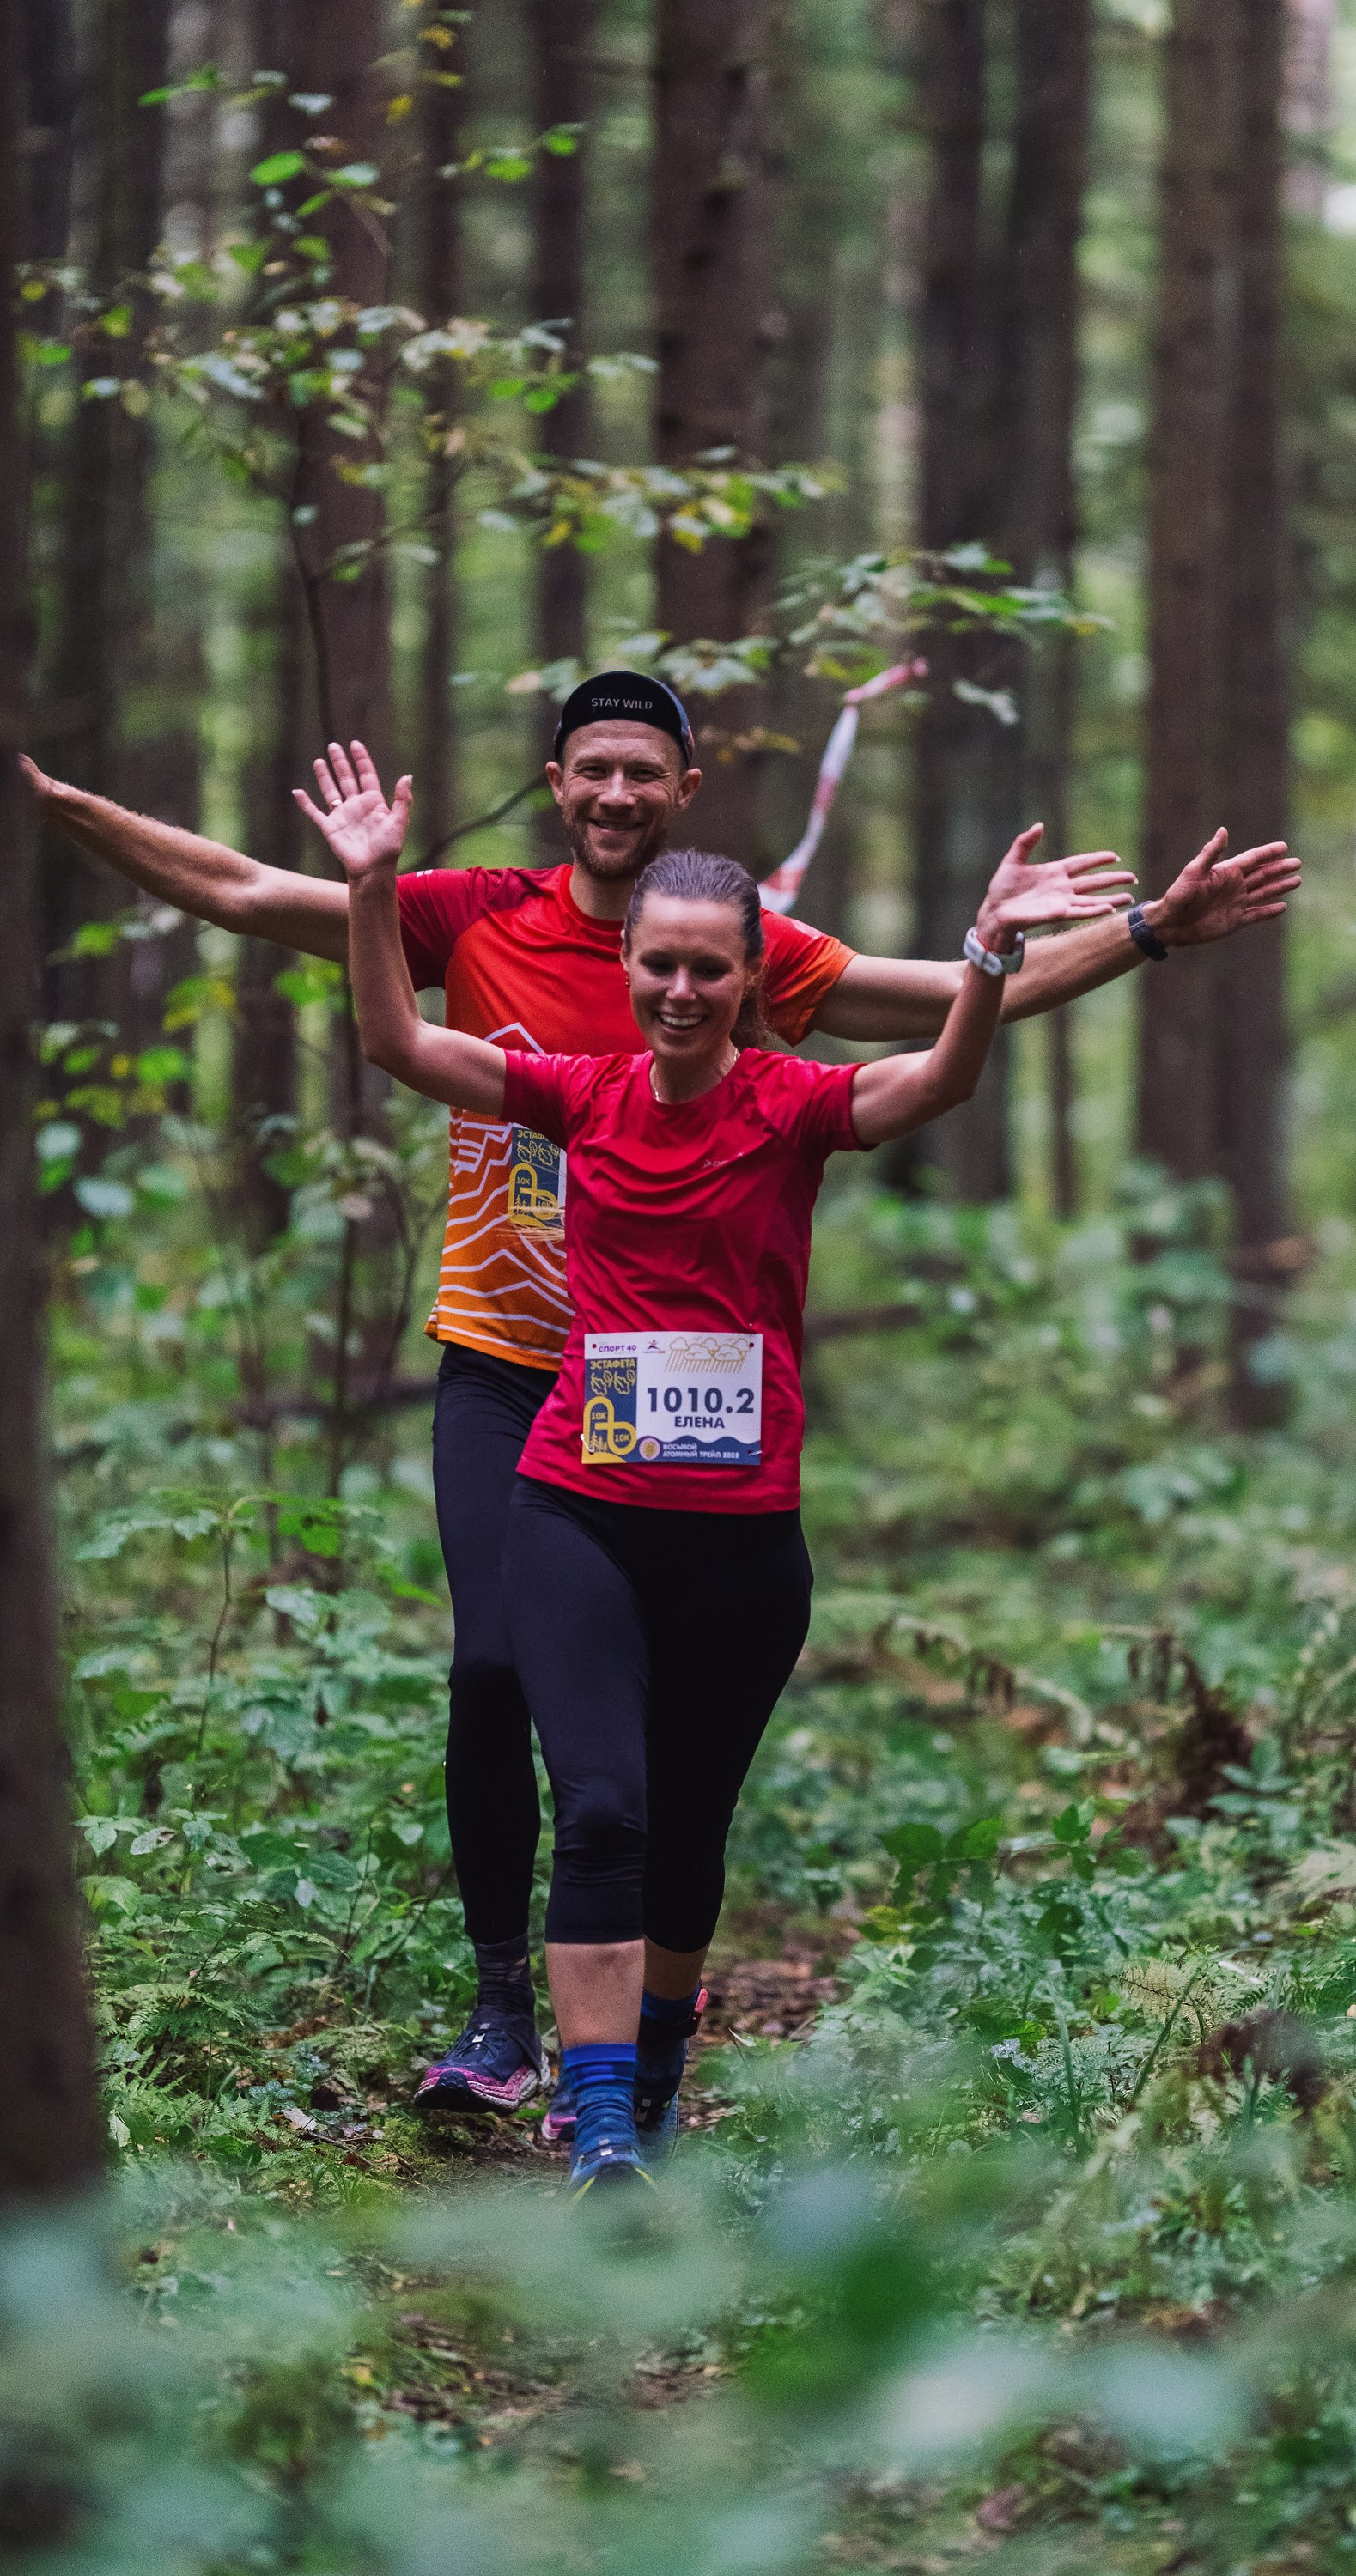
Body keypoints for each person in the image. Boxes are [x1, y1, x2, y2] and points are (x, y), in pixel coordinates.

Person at [22, 675, 1299, 2119]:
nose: (617, 796)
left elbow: (952, 1014)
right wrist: (52, 800)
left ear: (684, 792)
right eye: (593, 771)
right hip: (511, 1362)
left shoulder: (747, 944)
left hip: (677, 1397)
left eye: (645, 772)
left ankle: (628, 2033)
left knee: (656, 1751)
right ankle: (504, 2007)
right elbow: (255, 894)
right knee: (495, 1666)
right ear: (557, 781)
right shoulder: (468, 911)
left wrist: (1143, 933)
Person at [340, 785, 1084, 2188]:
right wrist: (377, 886)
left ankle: (659, 2066)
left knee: (686, 1840)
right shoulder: (581, 1094)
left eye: (708, 968)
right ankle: (603, 2120)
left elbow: (940, 1082)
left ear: (754, 978)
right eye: (657, 964)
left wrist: (983, 962)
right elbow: (394, 1037)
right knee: (604, 1811)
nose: (678, 990)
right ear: (628, 971)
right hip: (577, 1511)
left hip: (741, 1547)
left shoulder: (794, 1108)